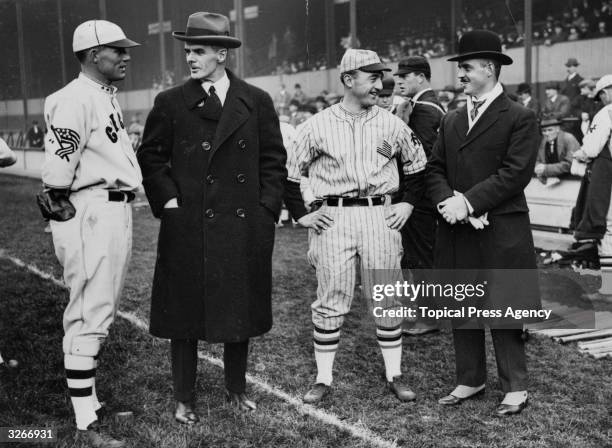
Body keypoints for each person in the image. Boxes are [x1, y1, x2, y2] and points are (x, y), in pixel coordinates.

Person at [137, 12, 287, 422]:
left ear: (222, 54)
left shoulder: (256, 100)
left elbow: (273, 160)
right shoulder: (170, 102)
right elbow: (150, 157)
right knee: (183, 313)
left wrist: (265, 210)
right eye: (188, 51)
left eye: (199, 51)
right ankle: (184, 395)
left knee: (238, 309)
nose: (190, 58)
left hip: (242, 226)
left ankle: (235, 388)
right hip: (189, 225)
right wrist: (169, 202)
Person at [284, 48, 428, 405]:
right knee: (332, 296)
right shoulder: (315, 125)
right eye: (372, 77)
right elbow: (287, 175)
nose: (381, 83)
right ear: (349, 80)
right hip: (334, 216)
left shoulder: (392, 122)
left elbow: (418, 167)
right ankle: (323, 378)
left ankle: (395, 374)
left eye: (382, 76)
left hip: (380, 214)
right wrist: (302, 214)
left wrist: (408, 203)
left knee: (387, 296)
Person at [427, 30, 541, 417]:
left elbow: (515, 174)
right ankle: (470, 378)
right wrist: (448, 201)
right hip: (458, 227)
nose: (461, 75)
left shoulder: (521, 117)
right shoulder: (453, 119)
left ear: (489, 69)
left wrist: (469, 202)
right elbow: (435, 168)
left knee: (504, 306)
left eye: (466, 68)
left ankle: (515, 387)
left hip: (500, 229)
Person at [40, 19, 140, 447]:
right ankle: (84, 415)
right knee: (89, 309)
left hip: (111, 208)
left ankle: (91, 401)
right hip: (90, 210)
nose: (126, 56)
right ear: (93, 54)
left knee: (100, 307)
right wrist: (60, 202)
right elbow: (59, 169)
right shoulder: (74, 98)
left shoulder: (102, 96)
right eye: (117, 50)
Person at [393, 56, 445, 336]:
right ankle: (423, 313)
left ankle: (428, 318)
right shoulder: (425, 105)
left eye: (405, 76)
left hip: (420, 196)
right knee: (417, 256)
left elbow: (420, 157)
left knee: (422, 256)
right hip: (421, 195)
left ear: (421, 78)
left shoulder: (424, 109)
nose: (399, 81)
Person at [570, 74, 612, 301]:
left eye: (602, 95)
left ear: (606, 92)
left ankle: (609, 288)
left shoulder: (606, 112)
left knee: (608, 231)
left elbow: (592, 148)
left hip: (609, 178)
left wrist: (579, 154)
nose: (602, 99)